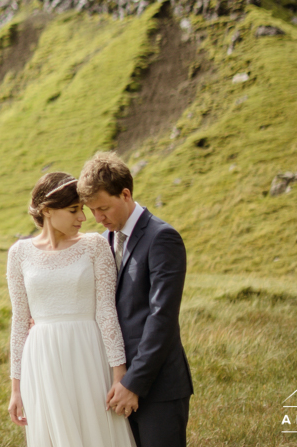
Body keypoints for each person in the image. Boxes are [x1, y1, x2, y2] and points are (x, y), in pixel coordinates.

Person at [7, 171, 136, 447]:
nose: (83, 218)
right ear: (47, 210)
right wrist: (16, 389)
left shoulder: (95, 246)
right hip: (41, 359)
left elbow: (107, 312)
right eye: (73, 210)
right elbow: (19, 322)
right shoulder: (19, 253)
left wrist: (119, 374)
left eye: (82, 209)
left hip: (88, 353)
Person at [79, 152, 193, 447]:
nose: (98, 218)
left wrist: (133, 383)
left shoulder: (162, 238)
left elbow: (162, 318)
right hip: (113, 386)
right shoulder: (104, 241)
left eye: (103, 208)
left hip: (158, 387)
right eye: (92, 210)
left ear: (126, 194)